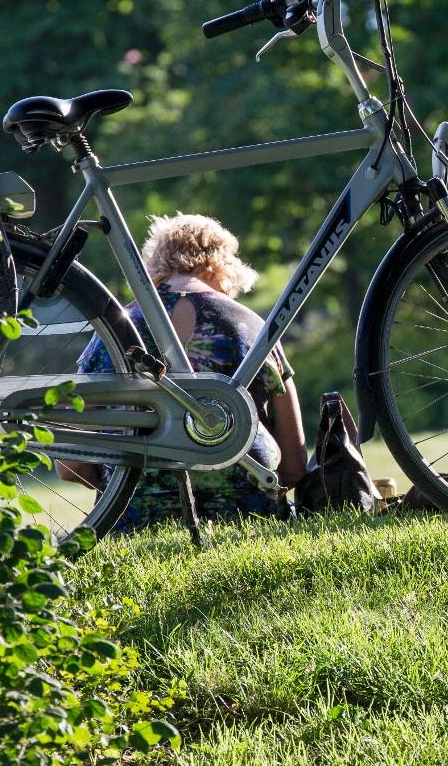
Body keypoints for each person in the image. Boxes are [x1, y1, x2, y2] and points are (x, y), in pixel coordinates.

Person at [62, 214, 306, 531]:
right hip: (247, 515)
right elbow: (294, 468)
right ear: (220, 265)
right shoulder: (252, 328)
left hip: (132, 521)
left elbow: (70, 465)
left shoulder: (114, 329)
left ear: (157, 266)